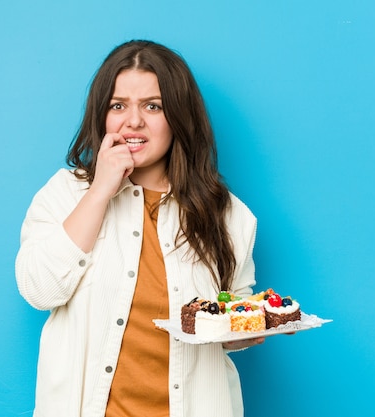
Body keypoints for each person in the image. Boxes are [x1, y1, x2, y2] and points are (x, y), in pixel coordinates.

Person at [15, 39, 263, 417]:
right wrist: (100, 190)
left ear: (179, 116)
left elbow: (230, 318)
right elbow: (39, 290)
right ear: (102, 116)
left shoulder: (227, 214)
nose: (133, 121)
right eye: (118, 106)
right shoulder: (66, 194)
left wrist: (249, 329)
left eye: (153, 106)